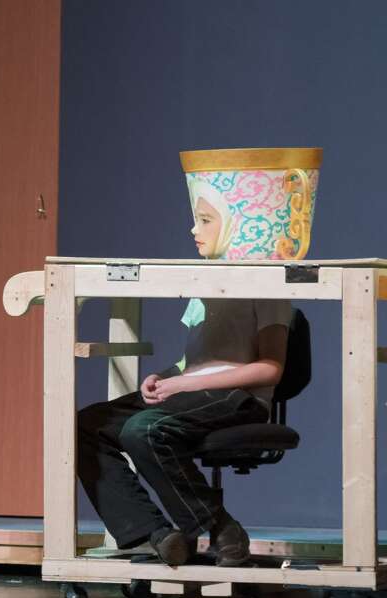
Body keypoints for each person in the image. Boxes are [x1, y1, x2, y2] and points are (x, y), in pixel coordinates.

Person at [76, 175, 294, 567]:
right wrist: (164, 376)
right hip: (193, 392)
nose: (194, 229)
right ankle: (158, 534)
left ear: (236, 223)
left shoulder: (268, 283)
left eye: (206, 220)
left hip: (238, 398)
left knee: (142, 429)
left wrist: (186, 382)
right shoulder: (207, 283)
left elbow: (270, 369)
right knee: (90, 423)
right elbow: (193, 360)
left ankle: (221, 527)